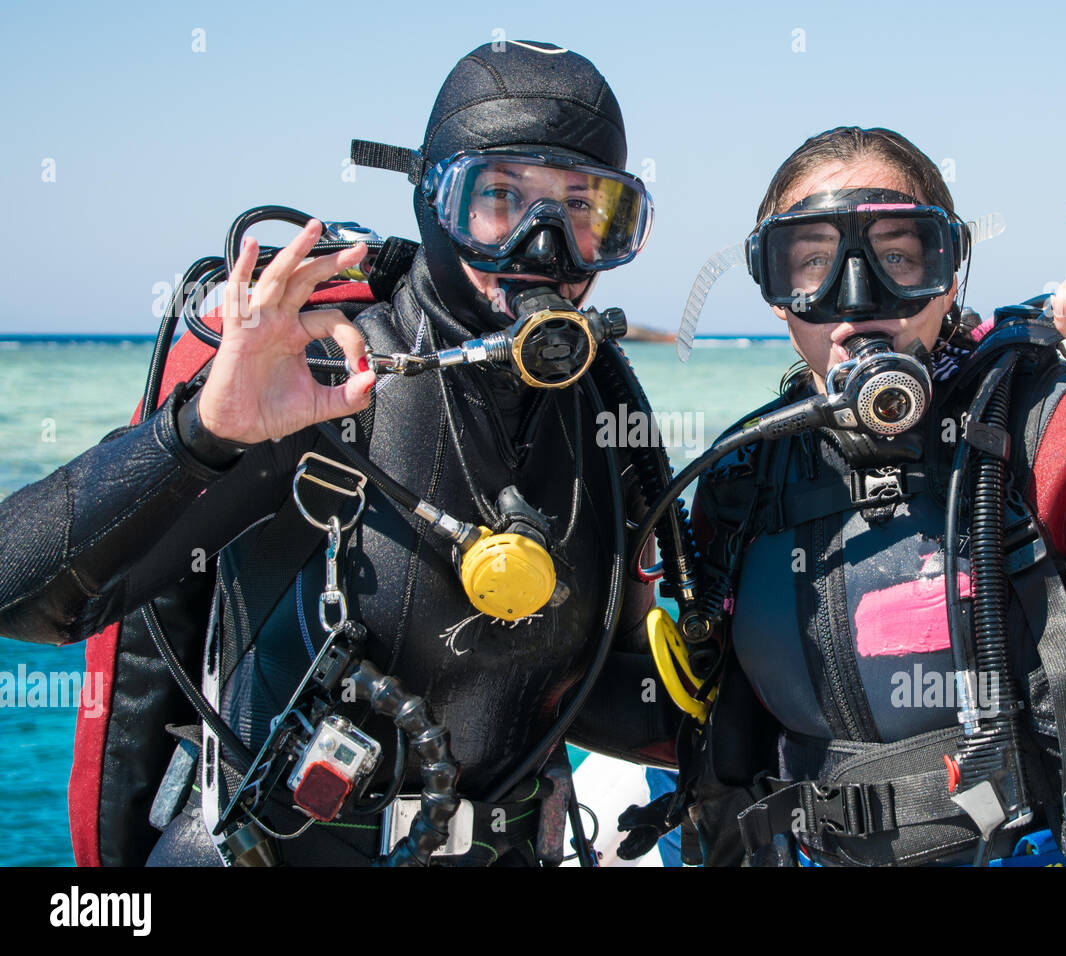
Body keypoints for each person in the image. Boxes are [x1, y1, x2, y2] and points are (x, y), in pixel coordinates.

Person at [0, 40, 677, 867]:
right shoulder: (323, 374)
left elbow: (589, 692)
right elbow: (25, 601)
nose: (546, 248)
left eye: (585, 210)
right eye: (498, 198)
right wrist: (202, 435)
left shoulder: (606, 423)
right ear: (433, 198)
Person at [665, 126, 1066, 867]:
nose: (859, 301)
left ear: (950, 275)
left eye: (899, 257)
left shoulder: (1038, 426)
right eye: (811, 262)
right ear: (776, 296)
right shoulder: (742, 481)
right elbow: (691, 712)